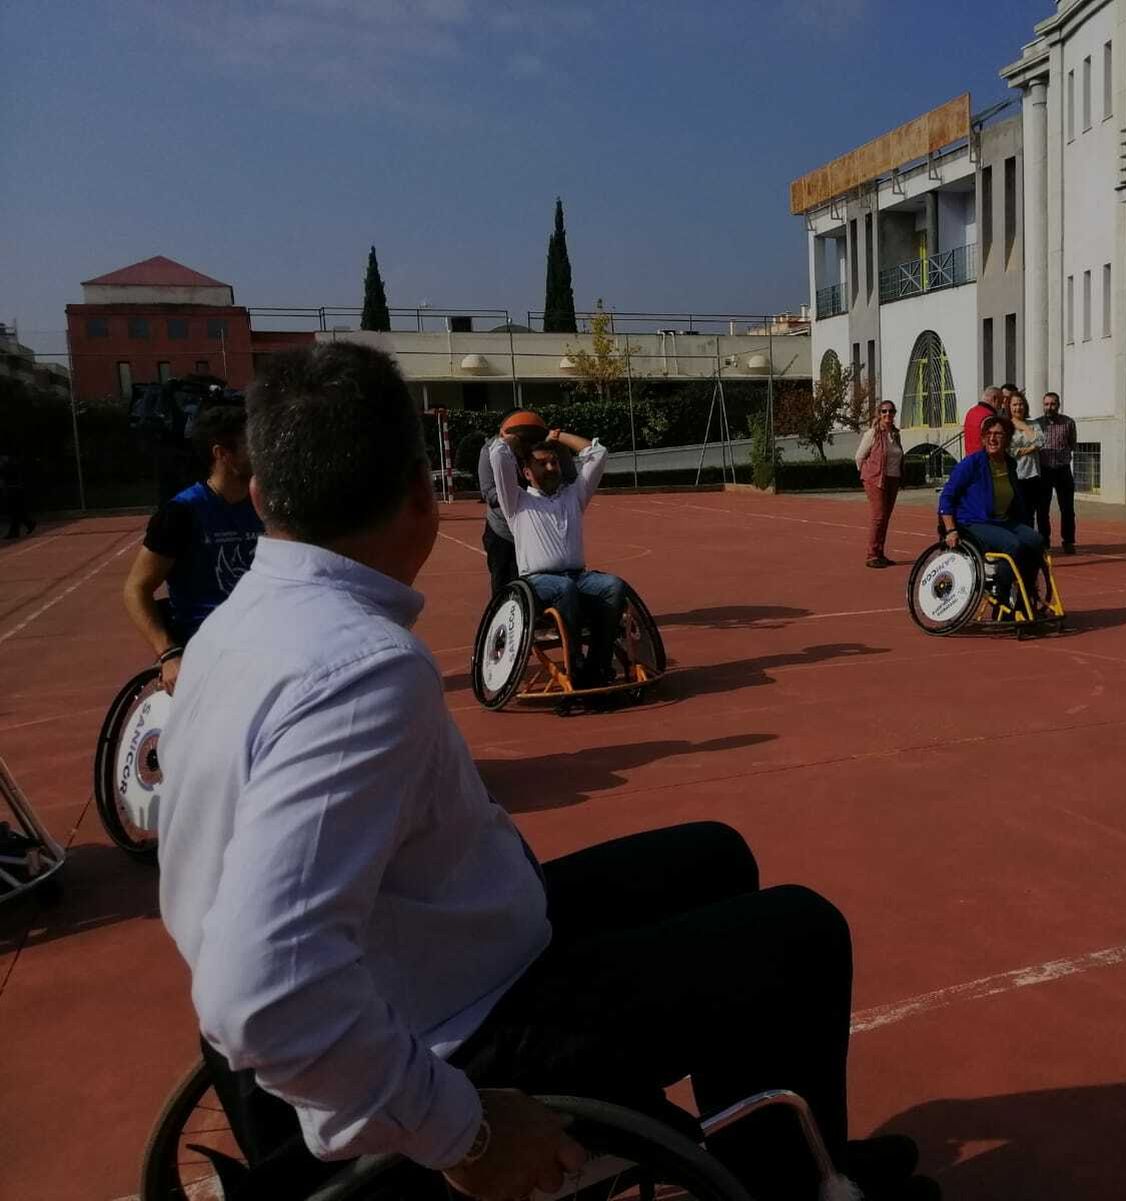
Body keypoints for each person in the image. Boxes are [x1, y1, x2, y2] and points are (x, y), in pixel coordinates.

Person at [156, 342, 935, 1201]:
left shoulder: (228, 630)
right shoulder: (358, 669)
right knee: (801, 932)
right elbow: (261, 987)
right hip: (459, 1022)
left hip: (428, 954)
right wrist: (466, 1131)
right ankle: (791, 1188)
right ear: (422, 496)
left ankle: (776, 1149)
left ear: (264, 497)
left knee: (715, 853)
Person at [122, 402, 263, 693]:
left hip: (261, 642)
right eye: (252, 443)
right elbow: (136, 589)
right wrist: (169, 654)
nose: (262, 451)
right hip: (208, 650)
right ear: (222, 454)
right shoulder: (182, 513)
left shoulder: (265, 505)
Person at [488, 422, 632, 689]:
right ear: (527, 472)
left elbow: (597, 454)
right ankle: (575, 665)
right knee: (564, 588)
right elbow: (498, 455)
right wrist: (512, 439)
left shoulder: (574, 496)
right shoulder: (516, 501)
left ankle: (597, 665)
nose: (552, 468)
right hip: (537, 584)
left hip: (578, 578)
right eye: (543, 464)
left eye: (555, 462)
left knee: (614, 586)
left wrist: (557, 436)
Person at [938, 414, 1046, 604]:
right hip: (973, 522)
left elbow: (1016, 501)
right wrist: (951, 530)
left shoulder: (1010, 463)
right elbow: (947, 496)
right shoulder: (972, 463)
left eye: (998, 434)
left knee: (1036, 540)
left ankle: (1026, 593)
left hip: (1002, 521)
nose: (993, 438)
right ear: (983, 438)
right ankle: (1002, 596)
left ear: (1007, 438)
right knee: (1013, 545)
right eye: (988, 434)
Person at [478, 409, 544, 596]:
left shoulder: (536, 450)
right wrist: (515, 496)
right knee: (503, 584)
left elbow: (563, 479)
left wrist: (555, 438)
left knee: (533, 582)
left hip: (532, 528)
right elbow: (488, 492)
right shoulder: (489, 450)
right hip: (502, 531)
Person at [855, 398, 903, 569]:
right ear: (879, 414)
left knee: (885, 518)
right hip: (875, 479)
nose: (887, 414)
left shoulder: (895, 434)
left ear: (894, 414)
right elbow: (859, 457)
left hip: (893, 479)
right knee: (879, 516)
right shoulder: (873, 434)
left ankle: (880, 553)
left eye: (891, 411)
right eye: (884, 411)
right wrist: (867, 474)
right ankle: (872, 554)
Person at [1037, 391, 1076, 554]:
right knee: (1042, 508)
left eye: (1053, 404)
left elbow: (1072, 443)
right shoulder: (1037, 424)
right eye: (1046, 404)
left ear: (1058, 405)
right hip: (1044, 471)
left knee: (1067, 508)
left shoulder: (1068, 422)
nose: (1049, 407)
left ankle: (1068, 541)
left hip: (1063, 470)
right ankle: (1044, 541)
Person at [1007, 392, 1046, 538]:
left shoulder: (1033, 423)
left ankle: (1029, 542)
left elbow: (1041, 441)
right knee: (1015, 511)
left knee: (1030, 512)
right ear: (1009, 407)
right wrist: (1029, 448)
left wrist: (1024, 427)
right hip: (1015, 475)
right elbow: (1009, 450)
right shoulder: (1007, 425)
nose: (1018, 407)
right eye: (1015, 404)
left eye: (1021, 404)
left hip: (1033, 475)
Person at [1, 449, 35, 540]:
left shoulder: (9, 466)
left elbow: (7, 478)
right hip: (15, 489)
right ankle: (27, 525)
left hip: (14, 490)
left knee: (14, 511)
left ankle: (25, 525)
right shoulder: (12, 465)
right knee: (17, 511)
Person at [962, 385, 1005, 456]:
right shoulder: (989, 417)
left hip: (970, 458)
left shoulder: (971, 412)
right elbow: (993, 443)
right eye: (1000, 402)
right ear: (995, 399)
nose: (1001, 407)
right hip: (984, 460)